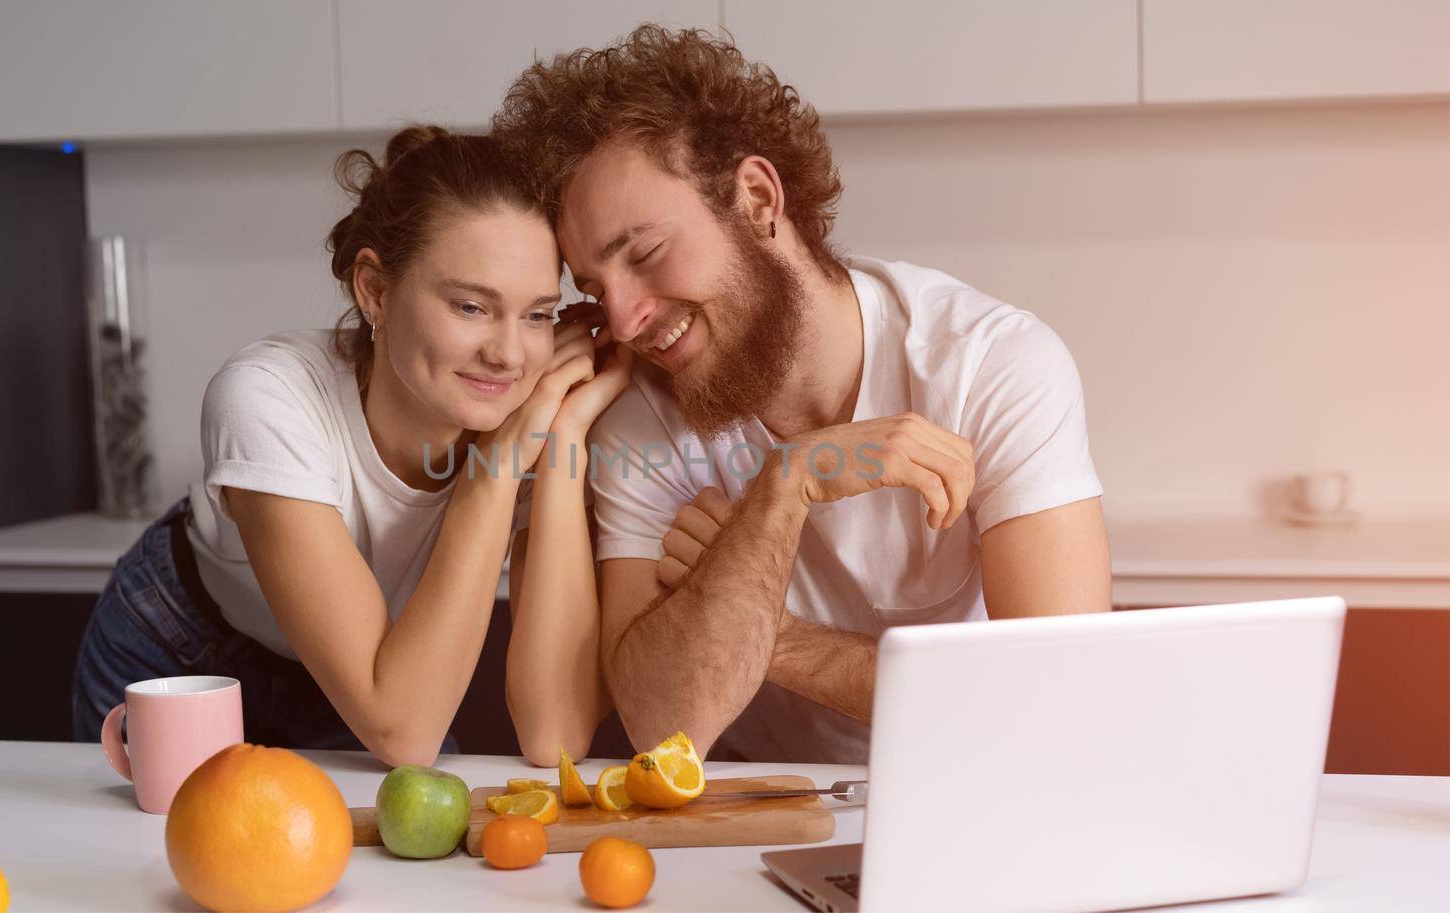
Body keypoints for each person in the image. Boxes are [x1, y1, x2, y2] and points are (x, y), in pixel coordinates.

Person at [491, 26, 1112, 764]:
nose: (623, 320)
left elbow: (1056, 700)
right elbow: (660, 723)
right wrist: (787, 484)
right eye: (595, 288)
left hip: (977, 782)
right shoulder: (641, 418)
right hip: (760, 822)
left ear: (757, 198)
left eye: (647, 255)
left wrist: (769, 633)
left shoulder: (993, 368)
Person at [72, 126, 632, 767]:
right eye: (472, 306)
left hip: (380, 678)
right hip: (186, 653)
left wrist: (562, 445)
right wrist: (492, 472)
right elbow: (404, 732)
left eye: (536, 314)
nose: (508, 354)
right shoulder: (268, 395)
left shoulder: (529, 416)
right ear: (375, 289)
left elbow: (554, 737)